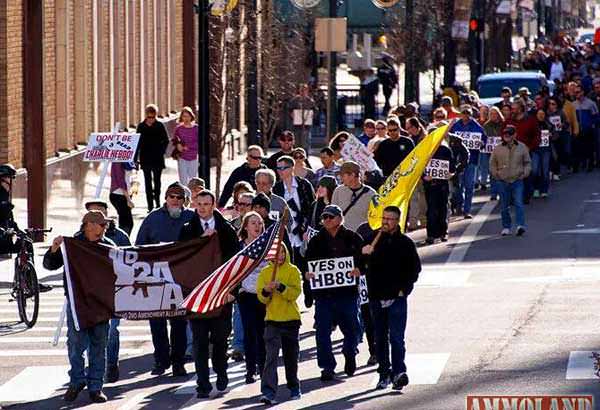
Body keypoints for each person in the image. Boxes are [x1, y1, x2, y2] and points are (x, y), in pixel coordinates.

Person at [43, 211, 116, 403]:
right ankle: (76, 381)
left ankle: (96, 386)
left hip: (100, 304)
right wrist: (54, 249)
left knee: (99, 346)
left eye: (105, 225)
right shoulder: (72, 245)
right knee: (76, 344)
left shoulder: (108, 246)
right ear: (88, 225)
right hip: (78, 304)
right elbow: (49, 265)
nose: (104, 228)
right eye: (101, 225)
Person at [179, 190, 240, 398]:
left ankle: (221, 373)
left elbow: (236, 263)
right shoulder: (188, 229)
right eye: (200, 204)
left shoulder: (226, 230)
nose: (203, 208)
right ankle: (202, 383)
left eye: (207, 204)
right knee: (199, 342)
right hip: (197, 295)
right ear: (195, 205)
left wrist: (233, 291)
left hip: (222, 294)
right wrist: (200, 241)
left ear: (213, 205)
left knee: (220, 339)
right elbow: (181, 257)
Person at [135, 182, 195, 377]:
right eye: (172, 197)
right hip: (156, 279)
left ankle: (178, 362)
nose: (175, 200)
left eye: (179, 197)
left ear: (184, 200)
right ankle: (161, 360)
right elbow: (139, 247)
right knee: (157, 322)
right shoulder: (153, 218)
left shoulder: (191, 217)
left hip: (181, 280)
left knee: (179, 322)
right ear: (166, 198)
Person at [361, 206, 421, 391]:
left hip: (397, 298)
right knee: (380, 338)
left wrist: (404, 290)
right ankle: (383, 374)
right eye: (384, 218)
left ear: (397, 221)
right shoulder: (372, 240)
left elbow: (414, 269)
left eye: (390, 219)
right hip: (376, 297)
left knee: (396, 338)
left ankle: (399, 372)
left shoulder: (405, 243)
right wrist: (363, 254)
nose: (386, 221)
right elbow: (359, 267)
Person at [305, 205, 363, 382]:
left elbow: (365, 260)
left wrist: (360, 269)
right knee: (322, 332)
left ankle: (349, 351)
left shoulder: (353, 238)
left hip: (347, 294)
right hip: (324, 296)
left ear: (340, 218)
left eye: (330, 217)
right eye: (324, 217)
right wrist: (307, 276)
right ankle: (327, 367)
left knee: (353, 329)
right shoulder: (316, 241)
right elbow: (307, 263)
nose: (326, 220)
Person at [82, 200, 130, 383]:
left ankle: (111, 365)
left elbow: (130, 260)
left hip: (112, 293)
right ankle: (94, 369)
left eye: (99, 213)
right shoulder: (79, 238)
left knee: (112, 331)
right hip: (89, 295)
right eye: (91, 214)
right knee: (88, 334)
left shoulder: (119, 237)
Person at [257, 244, 302, 405]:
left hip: (291, 321)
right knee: (271, 358)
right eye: (277, 253)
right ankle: (268, 392)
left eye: (283, 252)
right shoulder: (265, 273)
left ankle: (294, 387)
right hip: (272, 321)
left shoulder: (293, 270)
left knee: (291, 358)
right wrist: (267, 290)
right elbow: (262, 298)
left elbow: (295, 294)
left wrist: (281, 287)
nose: (280, 256)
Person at [237, 212, 269, 384]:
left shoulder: (268, 245)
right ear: (246, 226)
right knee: (250, 333)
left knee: (263, 332)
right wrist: (237, 291)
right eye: (253, 223)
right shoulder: (239, 246)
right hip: (246, 295)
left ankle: (263, 367)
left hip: (264, 295)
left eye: (260, 223)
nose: (257, 226)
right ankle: (250, 370)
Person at [490, 125, 531, 236]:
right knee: (504, 205)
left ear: (515, 135)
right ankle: (506, 226)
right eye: (505, 134)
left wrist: (525, 173)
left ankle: (520, 226)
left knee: (519, 203)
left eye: (509, 134)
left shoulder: (522, 147)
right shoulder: (497, 148)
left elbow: (527, 162)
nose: (506, 136)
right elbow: (492, 163)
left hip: (517, 180)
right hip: (502, 181)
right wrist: (496, 174)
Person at [449, 105, 487, 218]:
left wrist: (482, 144)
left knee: (469, 186)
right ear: (460, 114)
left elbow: (484, 139)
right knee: (458, 186)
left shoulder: (477, 127)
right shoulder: (455, 126)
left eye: (468, 113)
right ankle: (459, 207)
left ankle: (467, 210)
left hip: (472, 160)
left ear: (471, 114)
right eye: (464, 113)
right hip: (457, 160)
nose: (466, 115)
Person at [135, 104, 169, 212]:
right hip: (145, 157)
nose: (151, 120)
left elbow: (166, 140)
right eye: (149, 117)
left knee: (157, 181)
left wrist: (161, 151)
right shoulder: (141, 126)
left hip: (157, 158)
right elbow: (137, 143)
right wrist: (135, 158)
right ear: (146, 116)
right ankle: (150, 205)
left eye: (153, 117)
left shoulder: (159, 126)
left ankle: (158, 202)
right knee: (147, 182)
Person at [423, 134, 456, 244]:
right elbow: (419, 167)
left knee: (443, 208)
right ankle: (431, 234)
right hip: (430, 185)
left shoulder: (445, 150)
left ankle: (444, 232)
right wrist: (424, 176)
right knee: (431, 209)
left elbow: (452, 167)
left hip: (442, 184)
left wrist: (450, 174)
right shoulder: (425, 150)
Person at [505, 100, 540, 203]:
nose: (512, 110)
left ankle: (526, 196)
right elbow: (503, 134)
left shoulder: (531, 120)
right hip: (511, 151)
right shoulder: (509, 122)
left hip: (527, 151)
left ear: (520, 109)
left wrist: (530, 147)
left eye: (514, 109)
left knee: (527, 174)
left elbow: (537, 135)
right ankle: (512, 197)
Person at [331, 161, 377, 232]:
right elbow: (332, 214)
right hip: (341, 236)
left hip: (361, 237)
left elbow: (375, 218)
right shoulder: (338, 191)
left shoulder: (371, 194)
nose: (341, 178)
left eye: (343, 175)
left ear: (352, 175)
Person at [482, 107, 505, 200]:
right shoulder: (486, 126)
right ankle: (493, 193)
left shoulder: (503, 124)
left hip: (502, 152)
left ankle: (502, 192)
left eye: (495, 113)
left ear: (499, 114)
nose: (493, 115)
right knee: (492, 173)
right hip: (490, 153)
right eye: (491, 114)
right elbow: (484, 138)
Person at [172, 106, 199, 185]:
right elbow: (174, 140)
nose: (186, 118)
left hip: (193, 157)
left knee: (192, 180)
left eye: (188, 116)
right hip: (182, 157)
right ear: (181, 117)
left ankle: (192, 196)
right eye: (184, 116)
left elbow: (199, 142)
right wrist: (178, 145)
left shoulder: (196, 128)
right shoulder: (179, 128)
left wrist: (189, 147)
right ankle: (185, 196)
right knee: (183, 180)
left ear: (191, 116)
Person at [109, 162, 136, 235]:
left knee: (125, 222)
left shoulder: (129, 159)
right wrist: (128, 199)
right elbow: (120, 181)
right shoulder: (117, 161)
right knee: (127, 223)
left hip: (124, 195)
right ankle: (122, 242)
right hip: (119, 195)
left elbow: (129, 177)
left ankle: (121, 241)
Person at [289, 84, 315, 153]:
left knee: (305, 142)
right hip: (296, 126)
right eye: (301, 90)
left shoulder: (310, 101)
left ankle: (305, 156)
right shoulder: (294, 100)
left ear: (307, 91)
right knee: (296, 142)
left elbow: (314, 110)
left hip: (306, 126)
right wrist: (291, 114)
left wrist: (312, 115)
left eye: (304, 90)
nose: (303, 92)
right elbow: (289, 109)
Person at [534, 109, 553, 198]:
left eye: (543, 114)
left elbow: (556, 135)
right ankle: (536, 188)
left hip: (546, 150)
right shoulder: (533, 125)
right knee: (535, 170)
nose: (541, 115)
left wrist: (551, 135)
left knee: (545, 171)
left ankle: (544, 190)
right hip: (535, 150)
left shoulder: (549, 124)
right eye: (539, 114)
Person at [449, 134, 470, 216]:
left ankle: (459, 207)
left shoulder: (455, 140)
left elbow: (465, 154)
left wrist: (460, 167)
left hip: (453, 170)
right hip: (439, 172)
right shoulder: (433, 138)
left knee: (456, 190)